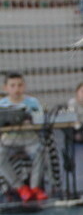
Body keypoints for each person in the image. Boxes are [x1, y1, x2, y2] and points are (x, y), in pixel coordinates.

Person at [0, 73, 47, 202]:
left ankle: (35, 188)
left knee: (40, 151)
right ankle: (20, 188)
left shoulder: (32, 102)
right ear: (6, 88)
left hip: (29, 138)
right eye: (13, 85)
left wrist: (31, 120)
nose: (17, 89)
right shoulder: (1, 104)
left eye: (20, 85)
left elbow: (41, 121)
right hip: (8, 140)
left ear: (24, 86)